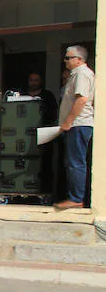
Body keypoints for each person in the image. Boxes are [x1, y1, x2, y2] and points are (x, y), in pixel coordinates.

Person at [55, 45, 95, 209]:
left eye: (68, 58)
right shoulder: (76, 75)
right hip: (75, 126)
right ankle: (74, 197)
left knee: (76, 163)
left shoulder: (82, 74)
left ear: (79, 59)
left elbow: (81, 100)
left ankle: (76, 199)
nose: (65, 61)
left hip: (78, 125)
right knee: (71, 162)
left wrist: (68, 122)